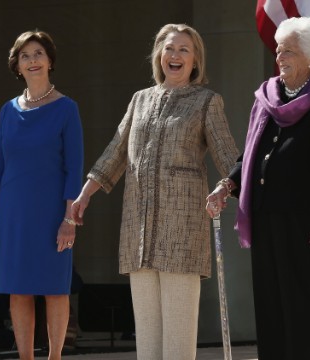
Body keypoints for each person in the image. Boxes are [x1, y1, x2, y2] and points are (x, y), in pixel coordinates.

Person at [71, 23, 238, 360]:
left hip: (182, 231)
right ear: (159, 55)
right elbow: (116, 150)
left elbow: (229, 157)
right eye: (169, 48)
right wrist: (86, 193)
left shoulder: (206, 101)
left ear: (195, 61)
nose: (175, 55)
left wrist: (226, 186)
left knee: (177, 340)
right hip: (139, 233)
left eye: (184, 50)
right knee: (147, 341)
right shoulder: (140, 100)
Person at [206, 17, 310, 359]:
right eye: (278, 49)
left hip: (303, 220)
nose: (280, 56)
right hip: (264, 215)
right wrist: (227, 183)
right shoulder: (267, 98)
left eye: (289, 50)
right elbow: (252, 154)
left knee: (300, 303)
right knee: (270, 303)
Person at [0, 30, 83, 360]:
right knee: (18, 291)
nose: (32, 60)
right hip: (13, 215)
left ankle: (54, 358)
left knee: (55, 289)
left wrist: (69, 219)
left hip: (53, 213)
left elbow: (74, 168)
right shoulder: (7, 111)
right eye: (25, 56)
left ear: (50, 61)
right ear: (17, 66)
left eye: (38, 53)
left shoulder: (67, 109)